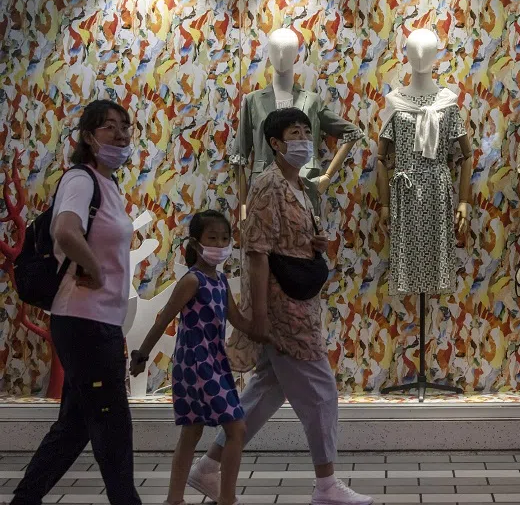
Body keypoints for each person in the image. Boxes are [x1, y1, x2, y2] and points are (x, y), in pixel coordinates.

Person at [187, 109, 373, 505]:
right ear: (275, 142)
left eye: (308, 131)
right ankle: (326, 485)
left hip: (297, 304)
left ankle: (207, 467)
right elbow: (256, 252)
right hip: (282, 309)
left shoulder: (298, 186)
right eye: (295, 132)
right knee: (321, 391)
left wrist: (314, 244)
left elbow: (283, 241)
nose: (304, 138)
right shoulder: (268, 185)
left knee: (265, 390)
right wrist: (258, 315)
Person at [12, 100, 141, 505]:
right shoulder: (81, 179)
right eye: (109, 128)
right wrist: (96, 269)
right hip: (84, 321)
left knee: (76, 426)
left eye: (125, 127)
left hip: (95, 321)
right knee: (112, 426)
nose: (121, 135)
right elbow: (65, 231)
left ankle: (23, 500)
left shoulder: (109, 185)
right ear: (88, 137)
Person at [130, 210, 267, 505]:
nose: (219, 244)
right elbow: (163, 318)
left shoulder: (219, 281)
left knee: (192, 432)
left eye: (225, 238)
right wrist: (141, 355)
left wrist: (266, 330)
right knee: (236, 427)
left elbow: (239, 321)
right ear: (195, 242)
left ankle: (174, 498)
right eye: (212, 238)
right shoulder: (192, 281)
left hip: (213, 362)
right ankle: (227, 499)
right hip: (196, 363)